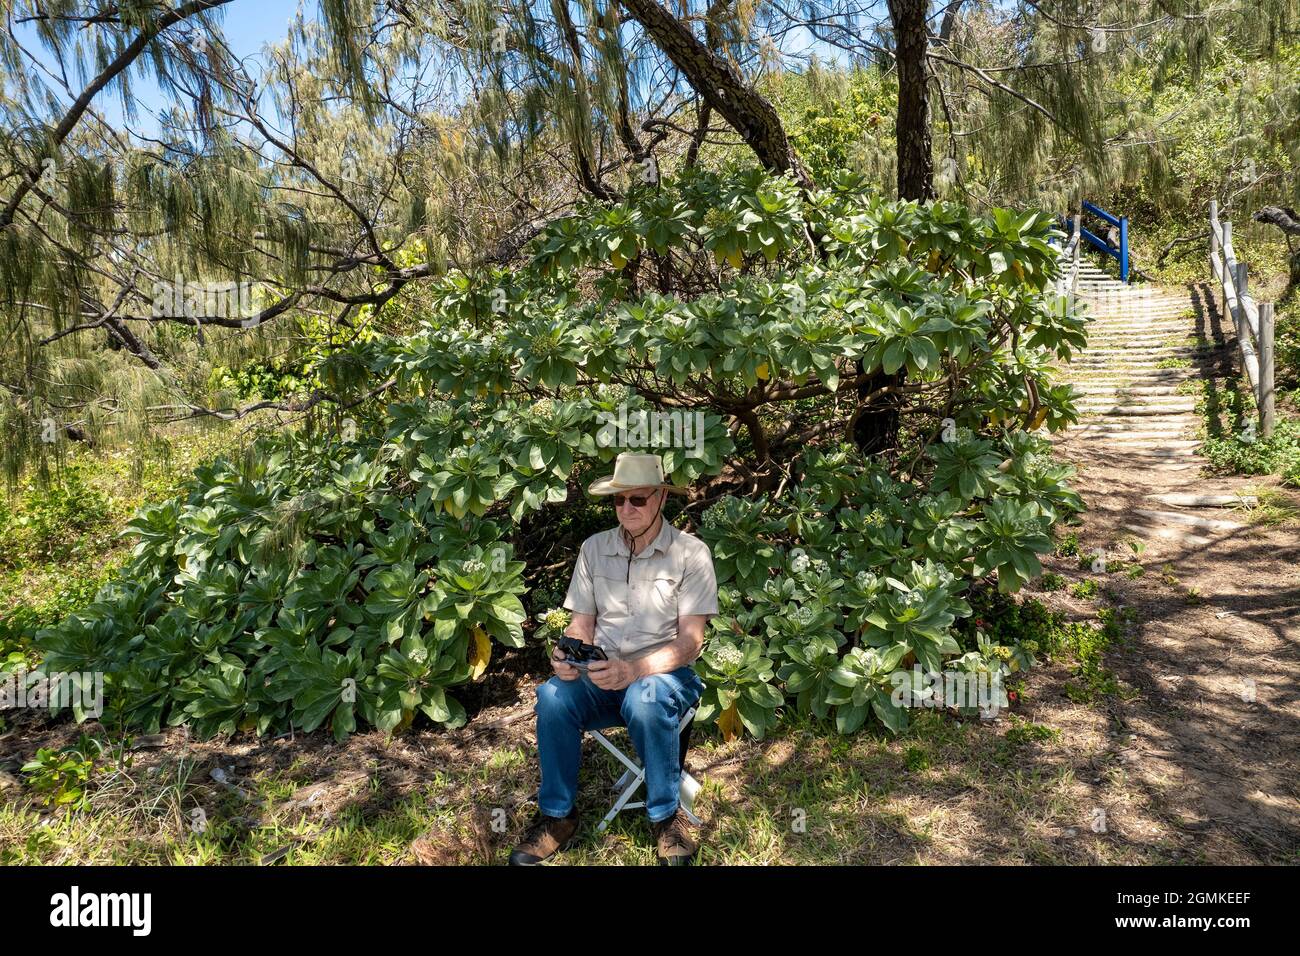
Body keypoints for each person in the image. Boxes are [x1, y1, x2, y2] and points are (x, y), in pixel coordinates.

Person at [509, 452, 719, 866]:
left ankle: (666, 817)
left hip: (665, 678)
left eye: (637, 499)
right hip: (602, 676)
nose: (627, 509)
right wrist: (567, 654)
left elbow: (692, 642)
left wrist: (635, 670)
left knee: (644, 696)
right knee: (551, 696)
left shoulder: (691, 554)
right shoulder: (594, 548)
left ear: (660, 497)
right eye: (619, 500)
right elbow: (580, 624)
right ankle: (557, 817)